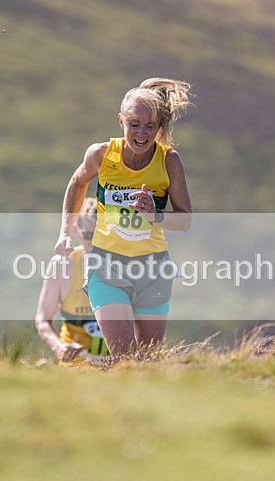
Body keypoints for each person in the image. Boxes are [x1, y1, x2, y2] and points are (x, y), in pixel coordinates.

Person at [54, 77, 193, 357]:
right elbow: (77, 183)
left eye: (149, 126)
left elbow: (185, 220)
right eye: (134, 124)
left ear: (159, 127)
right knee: (124, 358)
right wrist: (64, 233)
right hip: (107, 267)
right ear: (121, 121)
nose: (141, 133)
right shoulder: (101, 155)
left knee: (149, 360)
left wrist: (155, 215)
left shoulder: (169, 161)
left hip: (152, 269)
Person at [35, 197, 108, 366]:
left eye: (100, 236)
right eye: (89, 236)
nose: (94, 243)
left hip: (118, 368)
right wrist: (59, 347)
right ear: (76, 231)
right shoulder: (62, 265)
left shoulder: (126, 264)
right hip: (75, 367)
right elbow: (42, 320)